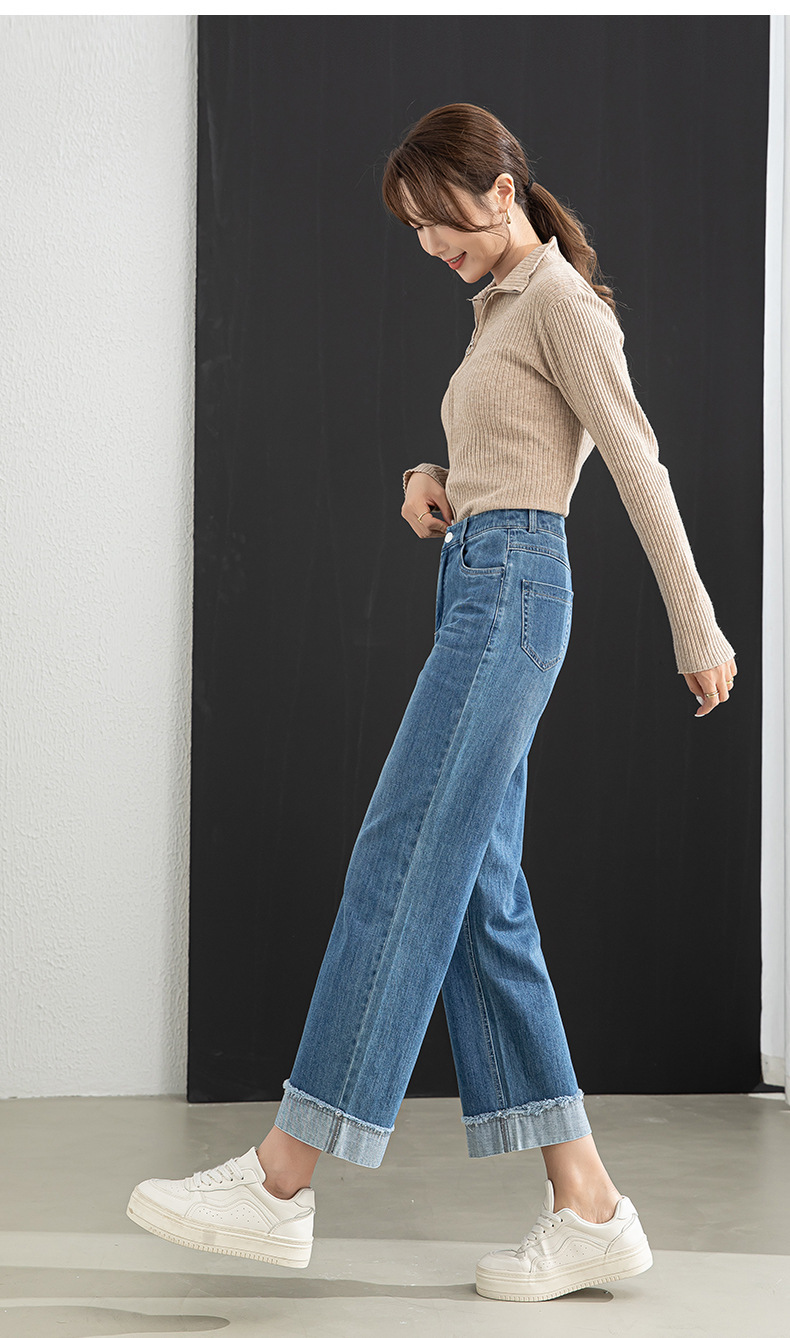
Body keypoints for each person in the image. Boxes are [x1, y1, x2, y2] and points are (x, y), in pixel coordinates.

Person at [126, 103, 736, 1303]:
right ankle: (588, 1208)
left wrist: (696, 621)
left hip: (511, 596)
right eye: (412, 228)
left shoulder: (559, 303)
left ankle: (281, 1181)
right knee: (481, 903)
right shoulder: (501, 307)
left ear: (501, 191)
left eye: (438, 219)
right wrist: (431, 476)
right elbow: (516, 450)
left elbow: (632, 456)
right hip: (483, 583)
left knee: (402, 858)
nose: (427, 244)